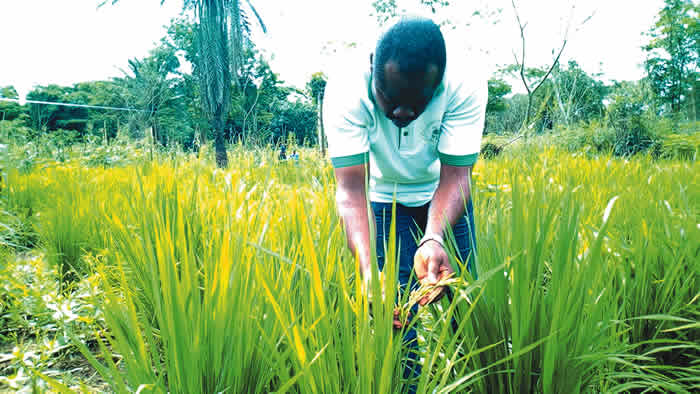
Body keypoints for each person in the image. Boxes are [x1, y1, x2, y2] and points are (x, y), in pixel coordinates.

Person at [323, 16, 486, 388]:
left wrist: (434, 237)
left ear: (438, 84)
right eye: (390, 100)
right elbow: (350, 190)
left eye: (417, 104)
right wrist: (367, 271)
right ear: (371, 71)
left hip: (441, 195)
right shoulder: (346, 89)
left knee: (466, 303)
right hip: (380, 201)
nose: (401, 115)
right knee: (390, 313)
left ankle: (470, 382)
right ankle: (405, 385)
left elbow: (456, 177)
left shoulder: (465, 83)